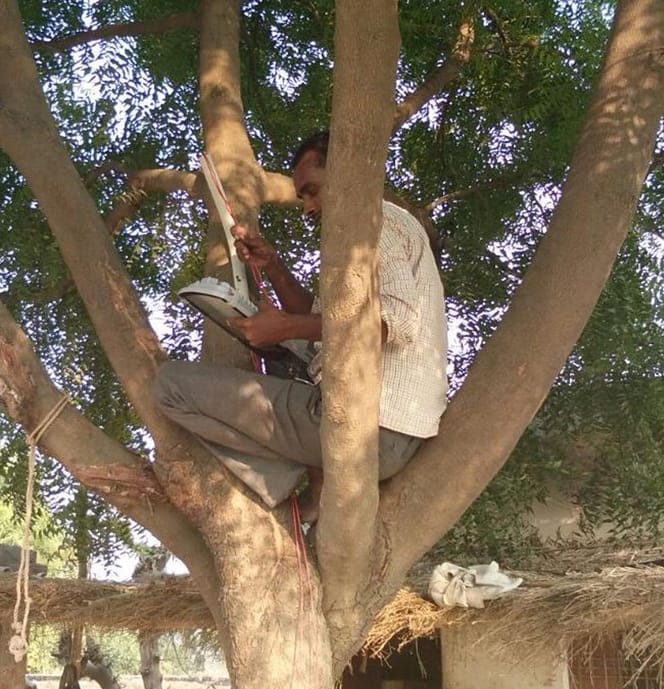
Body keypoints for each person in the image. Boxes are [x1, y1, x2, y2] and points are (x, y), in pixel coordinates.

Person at [155, 131, 448, 520]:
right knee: (283, 358)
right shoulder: (365, 234)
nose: (308, 208)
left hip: (370, 427)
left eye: (312, 191)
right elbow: (323, 321)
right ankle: (306, 473)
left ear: (346, 172)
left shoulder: (376, 221)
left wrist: (285, 327)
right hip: (388, 433)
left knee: (170, 386)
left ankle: (287, 477)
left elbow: (392, 325)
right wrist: (274, 268)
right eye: (302, 198)